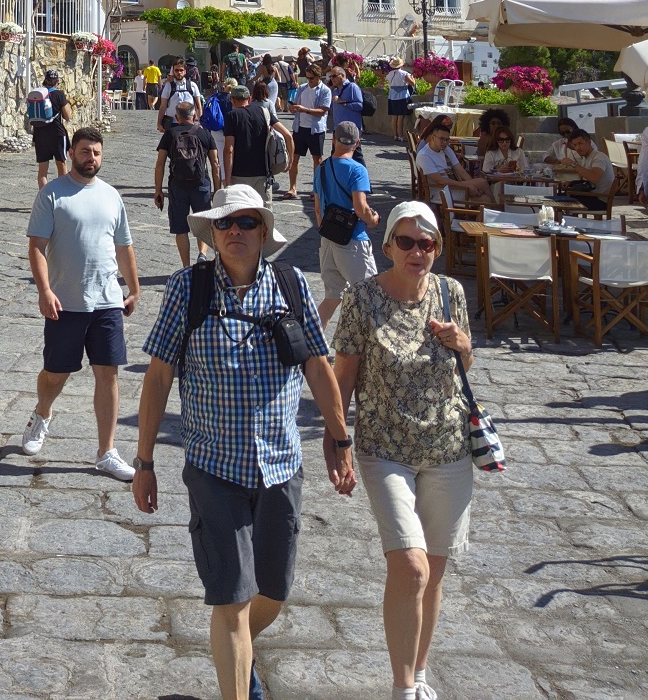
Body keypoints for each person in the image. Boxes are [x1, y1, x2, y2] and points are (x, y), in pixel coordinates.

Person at [133, 185, 356, 700]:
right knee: (231, 598)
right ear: (212, 234)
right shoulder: (188, 290)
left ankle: (237, 653)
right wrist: (144, 461)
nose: (236, 231)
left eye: (248, 222)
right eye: (226, 223)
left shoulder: (291, 284)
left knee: (273, 592)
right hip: (215, 467)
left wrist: (339, 438)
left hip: (281, 464)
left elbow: (319, 369)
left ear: (263, 232)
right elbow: (159, 378)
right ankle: (237, 680)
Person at [333, 202, 474, 700]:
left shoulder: (451, 293)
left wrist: (461, 343)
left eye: (428, 243)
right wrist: (338, 441)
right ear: (388, 244)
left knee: (433, 571)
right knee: (410, 566)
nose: (419, 252)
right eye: (408, 242)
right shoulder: (362, 300)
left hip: (449, 447)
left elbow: (466, 363)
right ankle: (401, 687)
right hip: (385, 447)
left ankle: (418, 674)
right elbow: (342, 376)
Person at [23, 127, 141, 480]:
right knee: (56, 374)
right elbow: (36, 247)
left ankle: (106, 451)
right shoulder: (52, 195)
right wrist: (45, 290)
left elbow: (124, 246)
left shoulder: (111, 196)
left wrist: (133, 288)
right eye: (86, 151)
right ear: (72, 153)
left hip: (106, 300)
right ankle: (43, 412)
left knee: (108, 372)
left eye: (97, 153)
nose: (92, 157)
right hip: (66, 301)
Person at [312, 122, 379, 326]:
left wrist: (328, 231)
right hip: (352, 240)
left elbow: (317, 208)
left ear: (334, 139)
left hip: (328, 239)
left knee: (332, 297)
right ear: (357, 143)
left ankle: (311, 346)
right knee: (371, 295)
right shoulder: (357, 170)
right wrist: (373, 219)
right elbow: (360, 208)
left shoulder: (321, 168)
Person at [155, 99, 219, 267]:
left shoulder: (170, 134)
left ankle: (185, 265)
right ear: (195, 115)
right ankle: (202, 255)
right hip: (201, 183)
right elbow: (215, 163)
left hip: (177, 185)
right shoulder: (204, 134)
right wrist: (218, 189)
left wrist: (158, 190)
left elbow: (160, 163)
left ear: (177, 117)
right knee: (203, 223)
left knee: (181, 228)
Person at [416, 121, 492, 206]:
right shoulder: (424, 155)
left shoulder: (446, 149)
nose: (445, 142)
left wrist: (473, 187)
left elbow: (460, 171)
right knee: (485, 196)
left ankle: (495, 213)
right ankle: (499, 211)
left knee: (483, 186)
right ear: (433, 138)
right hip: (441, 192)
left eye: (447, 140)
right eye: (441, 139)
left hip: (453, 186)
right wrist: (466, 186)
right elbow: (439, 180)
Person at [288, 63, 332, 198]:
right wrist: (293, 108)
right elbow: (295, 105)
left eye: (312, 78)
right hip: (299, 127)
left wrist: (304, 109)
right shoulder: (301, 88)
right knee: (294, 158)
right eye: (307, 78)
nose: (309, 81)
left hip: (316, 129)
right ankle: (292, 188)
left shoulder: (325, 90)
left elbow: (323, 111)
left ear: (319, 77)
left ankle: (316, 190)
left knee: (317, 160)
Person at [28, 68, 72, 190]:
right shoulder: (59, 94)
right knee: (61, 164)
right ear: (56, 81)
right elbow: (67, 116)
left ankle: (44, 199)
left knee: (42, 169)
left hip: (40, 134)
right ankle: (61, 195)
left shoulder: (38, 95)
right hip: (57, 134)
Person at [557, 128, 616, 210]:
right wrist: (571, 183)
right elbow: (587, 179)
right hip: (590, 196)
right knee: (557, 197)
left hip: (600, 200)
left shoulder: (598, 157)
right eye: (575, 145)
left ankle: (569, 221)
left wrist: (573, 164)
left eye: (580, 143)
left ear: (589, 142)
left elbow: (594, 178)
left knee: (556, 202)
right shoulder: (586, 157)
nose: (577, 148)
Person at [328, 66, 366, 162]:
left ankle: (361, 175)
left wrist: (343, 102)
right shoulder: (335, 90)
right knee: (336, 155)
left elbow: (360, 105)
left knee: (356, 155)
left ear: (342, 75)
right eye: (330, 76)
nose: (332, 78)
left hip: (351, 129)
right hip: (338, 128)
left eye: (334, 76)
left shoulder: (352, 87)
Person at [158, 57, 204, 133]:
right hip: (173, 125)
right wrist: (159, 123)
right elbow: (163, 106)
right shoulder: (168, 86)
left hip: (189, 125)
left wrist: (201, 123)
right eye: (176, 70)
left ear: (185, 71)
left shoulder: (192, 86)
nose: (179, 72)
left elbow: (198, 106)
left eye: (181, 70)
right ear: (173, 71)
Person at [386, 59, 415, 140]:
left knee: (394, 117)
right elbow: (412, 84)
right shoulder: (404, 74)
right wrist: (412, 78)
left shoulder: (390, 74)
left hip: (392, 96)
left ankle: (395, 135)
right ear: (401, 65)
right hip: (402, 96)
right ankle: (401, 136)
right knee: (400, 117)